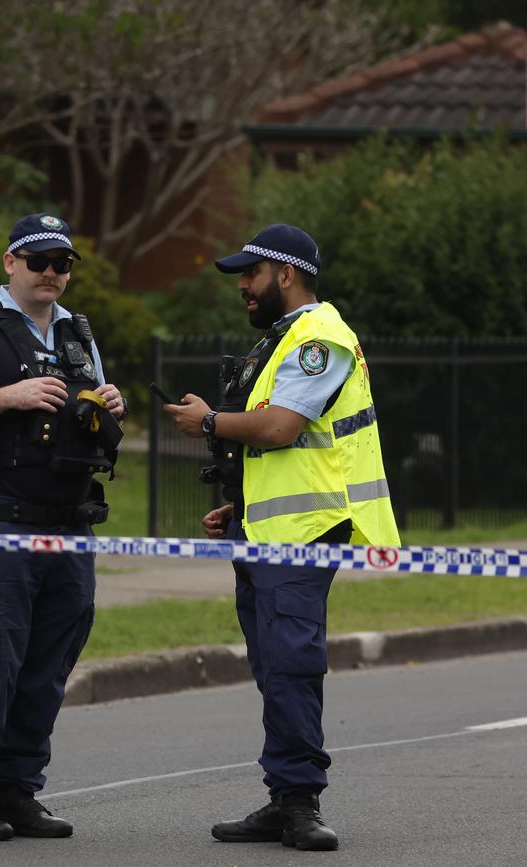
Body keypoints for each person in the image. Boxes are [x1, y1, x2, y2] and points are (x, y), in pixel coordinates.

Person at [165, 223, 400, 852]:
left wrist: (209, 420)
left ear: (286, 274)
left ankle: (299, 802)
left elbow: (279, 428)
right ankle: (283, 797)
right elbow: (283, 450)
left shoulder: (319, 338)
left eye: (251, 273)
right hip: (265, 532)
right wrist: (238, 507)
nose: (243, 285)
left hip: (300, 537)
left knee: (291, 667)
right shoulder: (283, 339)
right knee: (274, 666)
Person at [0, 213, 126, 842]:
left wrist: (107, 403)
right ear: (10, 262)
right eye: (38, 260)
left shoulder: (76, 332)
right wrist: (9, 395)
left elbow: (84, 415)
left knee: (48, 665)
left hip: (68, 525)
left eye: (62, 263)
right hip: (2, 521)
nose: (51, 273)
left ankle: (16, 791)